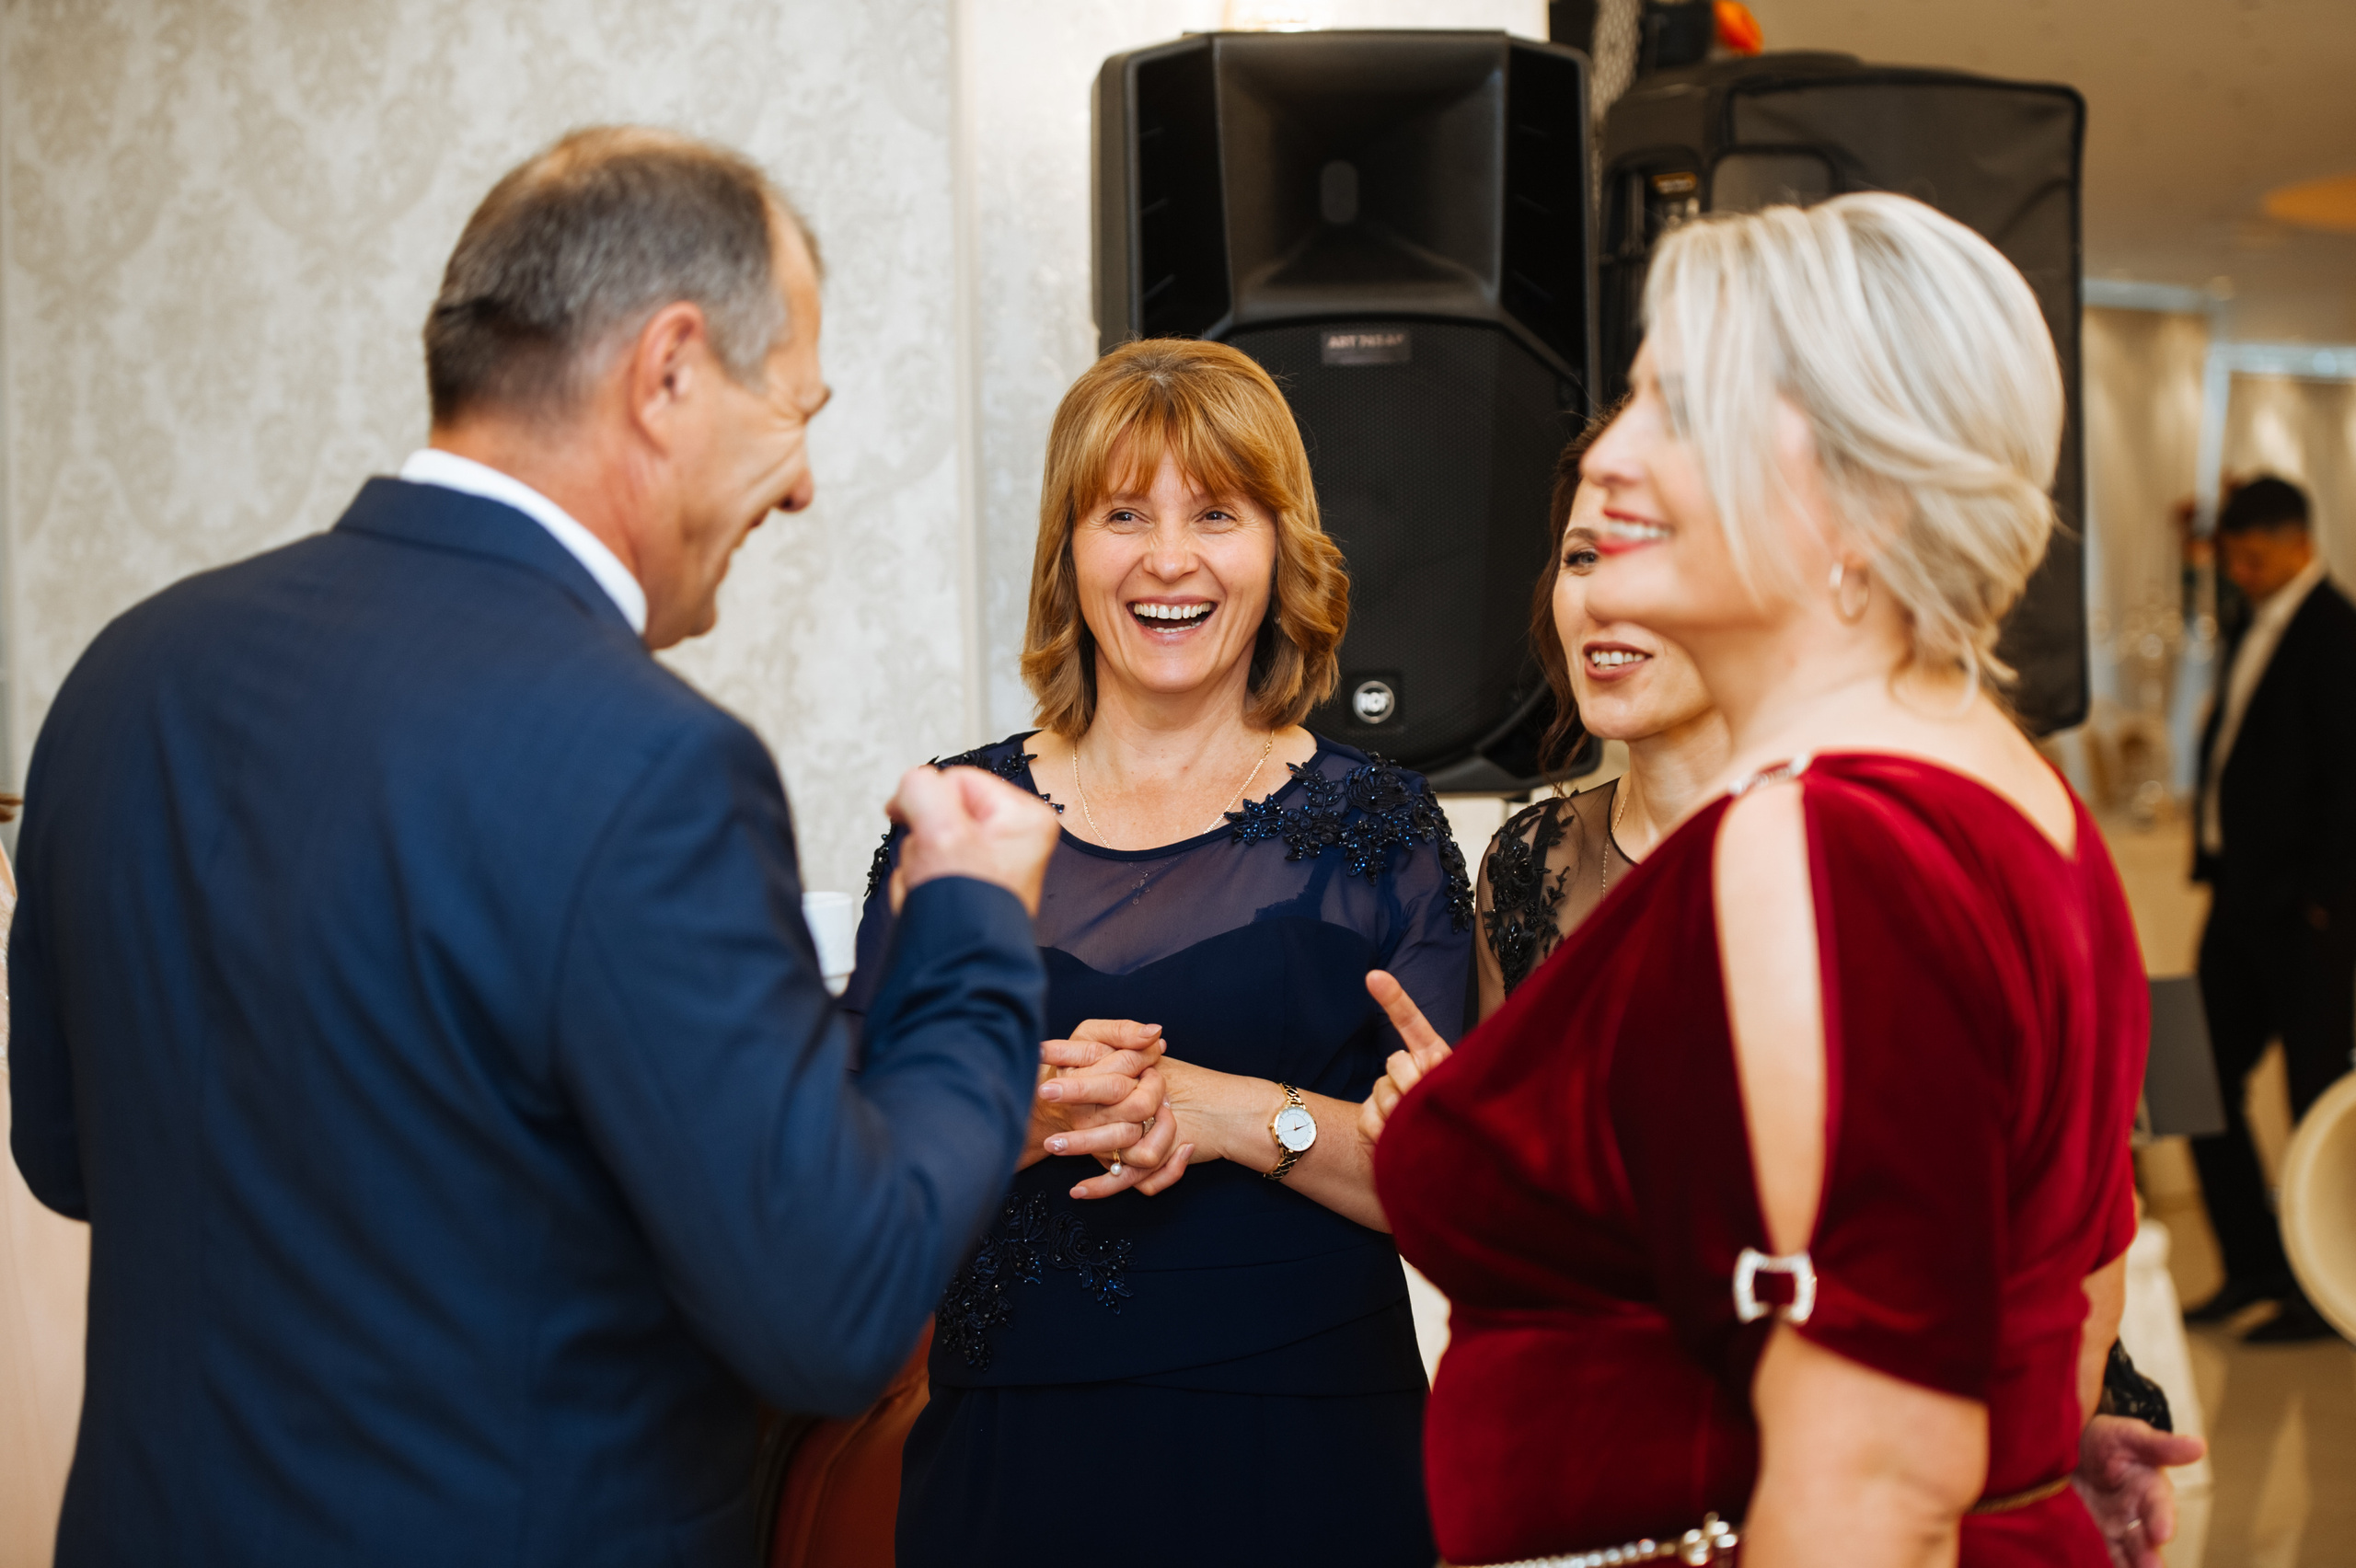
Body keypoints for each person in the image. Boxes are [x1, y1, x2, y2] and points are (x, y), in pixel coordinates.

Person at [6, 129, 1060, 1568]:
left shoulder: (130, 675)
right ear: (671, 372)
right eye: (793, 409)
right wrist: (968, 932)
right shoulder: (651, 763)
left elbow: (72, 1156)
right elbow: (837, 1313)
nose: (804, 485)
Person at [1365, 192, 2151, 1568]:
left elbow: (1871, 1482)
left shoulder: (1829, 846)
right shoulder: (2017, 799)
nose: (1610, 456)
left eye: (1679, 406)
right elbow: (2058, 1313)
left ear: (1862, 493)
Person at [846, 337, 1472, 1568]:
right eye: (1123, 513)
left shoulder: (1385, 831)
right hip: (1009, 1468)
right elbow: (853, 1184)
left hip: (1315, 1465)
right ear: (1068, 553)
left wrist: (1219, 1108)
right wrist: (1012, 1115)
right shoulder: (955, 818)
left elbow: (1454, 1192)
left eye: (1217, 514)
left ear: (1279, 547)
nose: (1169, 558)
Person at [2185, 474, 2356, 1343]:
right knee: (2183, 1075)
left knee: (2314, 1095)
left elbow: (2347, 784)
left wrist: (2325, 904)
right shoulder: (2251, 628)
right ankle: (2248, 1262)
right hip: (2237, 898)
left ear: (2295, 542)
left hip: (2309, 915)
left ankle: (2312, 1285)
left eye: (2252, 556)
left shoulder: (2337, 633)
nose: (2241, 571)